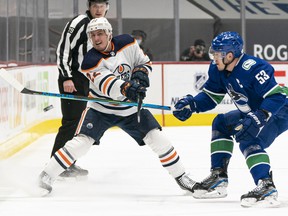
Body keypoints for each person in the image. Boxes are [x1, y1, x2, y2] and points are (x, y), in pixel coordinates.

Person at [38, 17, 196, 196]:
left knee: (158, 139)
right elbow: (109, 87)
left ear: (109, 34)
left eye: (100, 34)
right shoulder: (90, 61)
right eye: (92, 35)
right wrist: (128, 87)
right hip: (100, 109)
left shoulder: (128, 42)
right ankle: (46, 175)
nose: (96, 39)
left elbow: (143, 62)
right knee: (80, 144)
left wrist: (140, 74)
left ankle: (182, 177)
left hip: (130, 110)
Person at [173, 31, 288, 207]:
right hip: (253, 110)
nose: (213, 57)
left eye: (217, 54)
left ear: (229, 55)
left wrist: (259, 117)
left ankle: (266, 185)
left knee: (248, 136)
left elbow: (277, 97)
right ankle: (219, 176)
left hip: (279, 110)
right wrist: (192, 105)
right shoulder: (218, 69)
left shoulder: (254, 68)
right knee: (221, 123)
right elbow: (211, 97)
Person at [52, 0, 109, 179]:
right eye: (95, 6)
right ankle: (56, 166)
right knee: (71, 122)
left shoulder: (103, 25)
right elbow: (64, 51)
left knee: (79, 124)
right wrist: (66, 78)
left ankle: (68, 162)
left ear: (107, 7)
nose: (98, 9)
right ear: (89, 6)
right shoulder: (79, 23)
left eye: (101, 6)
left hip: (88, 81)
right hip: (73, 79)